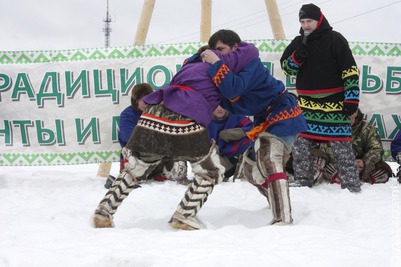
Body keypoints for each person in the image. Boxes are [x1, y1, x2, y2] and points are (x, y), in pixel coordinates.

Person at [92, 40, 260, 230]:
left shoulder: (188, 66)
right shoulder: (218, 70)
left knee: (136, 167)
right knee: (211, 170)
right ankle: (184, 215)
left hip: (154, 114)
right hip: (184, 117)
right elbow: (250, 52)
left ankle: (105, 210)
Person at [204, 29, 307, 225]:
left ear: (234, 47)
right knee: (251, 169)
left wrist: (215, 63)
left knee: (269, 157)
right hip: (264, 118)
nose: (217, 54)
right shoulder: (228, 70)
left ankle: (282, 217)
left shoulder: (250, 62)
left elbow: (233, 89)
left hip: (282, 112)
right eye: (214, 51)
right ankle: (277, 199)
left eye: (221, 49)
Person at [280, 3, 361, 193]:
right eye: (303, 21)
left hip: (334, 103)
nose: (306, 25)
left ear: (319, 19)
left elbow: (349, 71)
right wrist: (296, 58)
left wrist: (352, 100)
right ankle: (302, 179)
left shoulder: (335, 39)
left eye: (309, 21)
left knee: (342, 147)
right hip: (307, 104)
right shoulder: (298, 42)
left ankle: (351, 185)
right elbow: (287, 68)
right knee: (300, 144)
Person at [105, 83, 188, 189]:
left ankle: (168, 173)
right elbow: (130, 138)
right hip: (137, 158)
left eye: (149, 99)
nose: (146, 102)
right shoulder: (127, 115)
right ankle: (130, 176)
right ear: (136, 101)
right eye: (142, 99)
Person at [309, 109, 393, 185]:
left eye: (347, 117)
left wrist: (364, 162)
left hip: (361, 167)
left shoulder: (368, 129)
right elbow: (324, 149)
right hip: (336, 164)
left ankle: (365, 180)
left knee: (383, 168)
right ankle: (321, 177)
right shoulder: (330, 127)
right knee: (319, 159)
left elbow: (376, 149)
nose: (344, 120)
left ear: (355, 113)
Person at [206, 105, 253, 181]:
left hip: (235, 156)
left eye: (222, 106)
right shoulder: (205, 120)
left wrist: (233, 133)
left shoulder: (235, 115)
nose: (219, 109)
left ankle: (244, 171)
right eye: (216, 106)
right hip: (216, 159)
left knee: (252, 139)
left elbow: (253, 128)